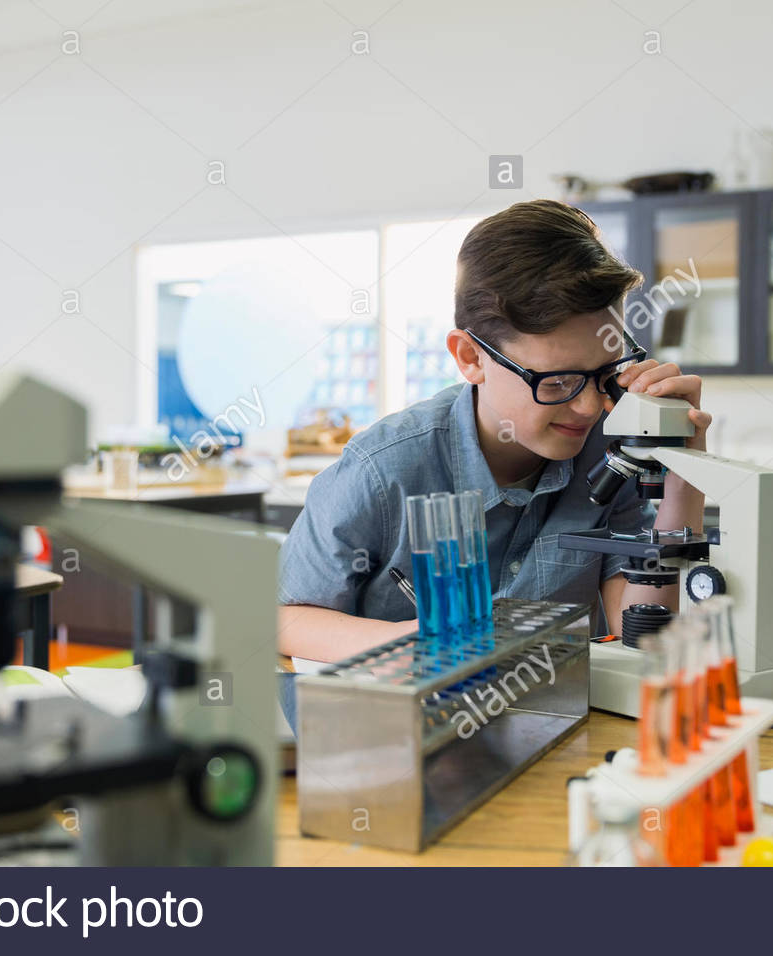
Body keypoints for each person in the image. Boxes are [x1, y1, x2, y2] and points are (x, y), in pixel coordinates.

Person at [277, 200, 710, 667]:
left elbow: (642, 636)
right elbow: (285, 618)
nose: (588, 407)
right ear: (470, 357)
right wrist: (417, 643)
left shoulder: (609, 451)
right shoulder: (383, 469)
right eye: (557, 381)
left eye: (605, 372)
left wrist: (683, 484)